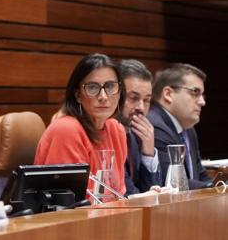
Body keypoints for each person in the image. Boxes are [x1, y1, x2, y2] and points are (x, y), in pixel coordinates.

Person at [34, 53, 127, 196]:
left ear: (120, 92)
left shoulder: (117, 130)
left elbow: (118, 195)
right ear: (77, 95)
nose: (103, 96)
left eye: (110, 86)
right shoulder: (66, 130)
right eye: (92, 88)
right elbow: (69, 204)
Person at [148, 63, 212, 189]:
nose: (202, 102)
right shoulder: (155, 126)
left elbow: (200, 175)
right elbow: (173, 183)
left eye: (202, 95)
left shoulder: (189, 130)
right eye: (195, 92)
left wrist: (220, 186)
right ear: (168, 94)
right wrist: (217, 188)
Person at [119, 60, 160, 194]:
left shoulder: (136, 135)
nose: (141, 108)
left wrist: (148, 153)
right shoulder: (104, 134)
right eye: (133, 98)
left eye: (147, 100)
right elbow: (128, 193)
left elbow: (153, 190)